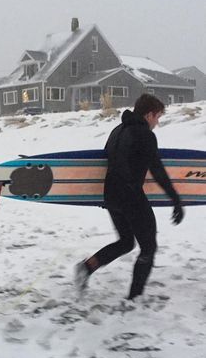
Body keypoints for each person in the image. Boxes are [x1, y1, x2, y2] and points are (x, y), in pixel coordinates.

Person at [74, 94, 184, 300]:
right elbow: (157, 170)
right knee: (149, 248)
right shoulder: (144, 135)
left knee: (126, 242)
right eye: (157, 117)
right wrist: (176, 200)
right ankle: (135, 298)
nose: (157, 123)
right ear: (149, 114)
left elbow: (106, 162)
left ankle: (87, 268)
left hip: (112, 197)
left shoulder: (117, 131)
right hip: (132, 198)